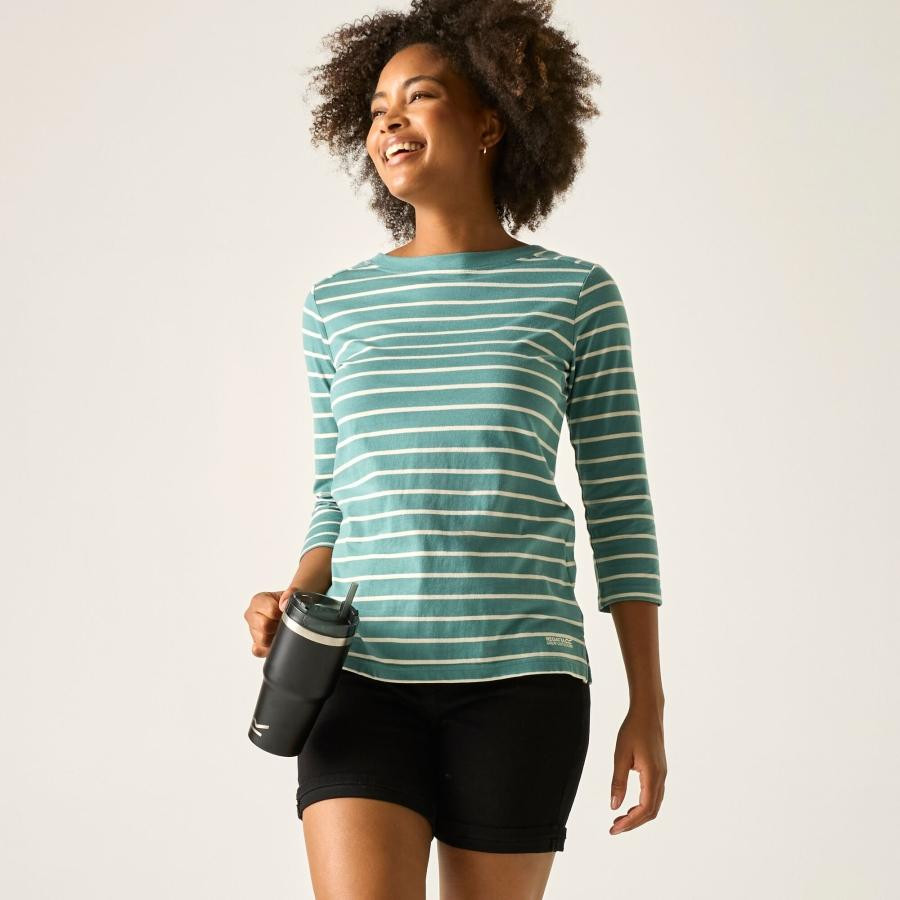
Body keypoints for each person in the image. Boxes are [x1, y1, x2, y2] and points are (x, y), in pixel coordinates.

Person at [243, 2, 667, 897]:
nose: (388, 121)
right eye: (376, 110)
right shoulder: (335, 305)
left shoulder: (574, 295)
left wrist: (648, 704)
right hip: (361, 673)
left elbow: (620, 508)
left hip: (522, 680)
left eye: (420, 95)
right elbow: (336, 496)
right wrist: (294, 596)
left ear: (490, 122)